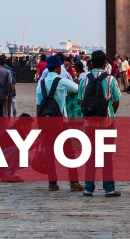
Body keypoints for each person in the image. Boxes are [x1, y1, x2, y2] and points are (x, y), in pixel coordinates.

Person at [35, 54, 81, 192]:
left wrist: (40, 124)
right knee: (68, 153)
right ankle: (74, 182)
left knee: (49, 153)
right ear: (56, 67)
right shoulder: (61, 81)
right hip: (61, 122)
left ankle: (52, 182)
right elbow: (76, 87)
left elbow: (38, 105)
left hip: (46, 121)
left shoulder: (41, 83)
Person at [79, 49, 120, 197]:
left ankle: (88, 188)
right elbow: (116, 100)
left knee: (90, 156)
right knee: (107, 156)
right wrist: (110, 112)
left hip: (89, 124)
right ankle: (109, 188)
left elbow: (81, 100)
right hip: (107, 123)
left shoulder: (84, 79)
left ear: (90, 62)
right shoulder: (110, 79)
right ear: (105, 63)